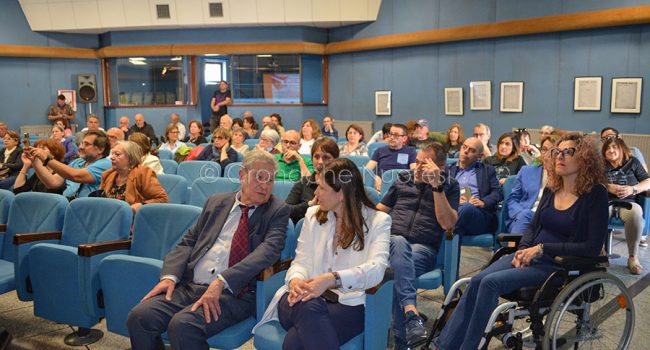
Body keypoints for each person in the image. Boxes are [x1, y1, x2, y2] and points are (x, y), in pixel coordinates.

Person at [435, 133, 609, 350]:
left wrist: (541, 249)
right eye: (557, 152)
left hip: (559, 266)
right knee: (477, 279)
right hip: (532, 255)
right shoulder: (552, 188)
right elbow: (534, 226)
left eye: (568, 152)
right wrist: (524, 249)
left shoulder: (595, 195)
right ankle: (445, 345)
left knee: (490, 283)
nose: (559, 157)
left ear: (584, 158)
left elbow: (591, 247)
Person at [127, 149, 289, 349]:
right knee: (140, 317)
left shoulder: (277, 210)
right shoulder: (217, 202)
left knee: (183, 326)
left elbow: (269, 251)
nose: (265, 186)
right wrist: (169, 277)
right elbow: (189, 241)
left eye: (271, 180)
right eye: (259, 177)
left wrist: (223, 280)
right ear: (242, 175)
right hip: (190, 285)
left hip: (234, 293)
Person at [255, 158, 390, 350]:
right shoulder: (312, 215)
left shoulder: (378, 221)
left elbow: (376, 270)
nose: (315, 193)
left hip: (348, 303)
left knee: (295, 342)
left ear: (341, 193)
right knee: (308, 307)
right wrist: (295, 281)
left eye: (321, 188)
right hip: (299, 299)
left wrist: (331, 279)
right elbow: (300, 261)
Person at [377, 143, 459, 348]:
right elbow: (381, 210)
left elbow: (448, 224)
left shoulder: (449, 186)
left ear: (439, 168)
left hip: (422, 248)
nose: (418, 167)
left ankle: (401, 335)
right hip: (389, 243)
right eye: (418, 162)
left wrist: (436, 187)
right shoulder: (403, 179)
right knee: (398, 241)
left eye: (424, 164)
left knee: (399, 269)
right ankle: (410, 319)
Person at [602, 135, 650, 274]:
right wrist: (608, 186)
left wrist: (632, 189)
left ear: (622, 149)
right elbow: (592, 183)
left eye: (614, 147)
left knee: (636, 213)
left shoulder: (633, 162)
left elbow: (648, 181)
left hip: (628, 202)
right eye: (608, 148)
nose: (611, 150)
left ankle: (633, 257)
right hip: (607, 202)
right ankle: (600, 253)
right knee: (597, 212)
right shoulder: (601, 165)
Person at [30, 130, 111, 200]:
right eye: (81, 143)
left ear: (100, 149)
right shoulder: (78, 162)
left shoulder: (105, 164)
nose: (81, 147)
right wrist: (34, 160)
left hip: (89, 210)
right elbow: (53, 183)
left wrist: (46, 158)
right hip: (70, 207)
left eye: (86, 144)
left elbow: (75, 176)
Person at [448, 137, 503, 236]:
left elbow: (498, 192)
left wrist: (483, 202)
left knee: (467, 208)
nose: (465, 151)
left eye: (472, 150)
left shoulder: (487, 170)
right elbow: (441, 193)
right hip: (453, 210)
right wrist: (454, 200)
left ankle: (444, 231)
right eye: (464, 147)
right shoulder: (448, 170)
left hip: (478, 215)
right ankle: (451, 231)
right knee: (459, 229)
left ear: (479, 156)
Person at [505, 135, 558, 235]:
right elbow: (513, 199)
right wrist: (520, 214)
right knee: (526, 215)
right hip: (521, 218)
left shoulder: (563, 177)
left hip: (546, 219)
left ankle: (512, 250)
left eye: (553, 151)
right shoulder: (526, 171)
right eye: (544, 149)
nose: (547, 155)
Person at [99, 141, 168, 213]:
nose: (112, 157)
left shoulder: (143, 173)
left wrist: (142, 205)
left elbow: (162, 199)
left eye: (117, 154)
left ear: (130, 158)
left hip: (134, 220)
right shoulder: (107, 174)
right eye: (112, 154)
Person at [286, 138, 339, 223]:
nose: (320, 162)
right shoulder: (303, 182)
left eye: (326, 157)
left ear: (336, 160)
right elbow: (285, 210)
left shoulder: (341, 184)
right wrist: (309, 205)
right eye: (316, 157)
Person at [365, 124, 417, 192]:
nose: (392, 137)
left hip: (402, 186)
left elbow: (414, 171)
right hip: (381, 186)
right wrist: (375, 177)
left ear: (404, 138)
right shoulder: (379, 151)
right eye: (390, 134)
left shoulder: (411, 151)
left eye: (396, 135)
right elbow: (367, 169)